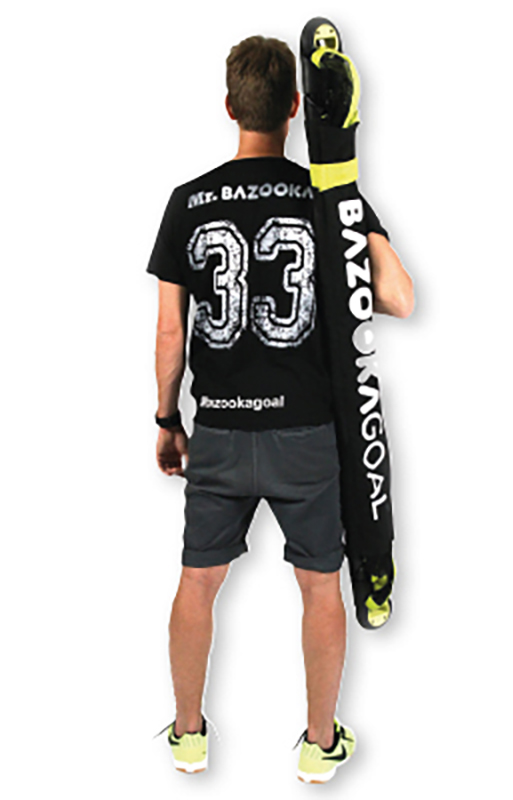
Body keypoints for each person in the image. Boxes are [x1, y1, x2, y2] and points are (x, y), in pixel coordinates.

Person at [147, 34, 414, 783]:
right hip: (307, 433)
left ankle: (189, 735)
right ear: (297, 107)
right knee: (319, 585)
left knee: (198, 581)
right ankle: (319, 744)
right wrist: (355, 224)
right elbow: (398, 297)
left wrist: (168, 421)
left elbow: (169, 331)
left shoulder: (188, 202)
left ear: (230, 107)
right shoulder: (328, 199)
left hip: (222, 429)